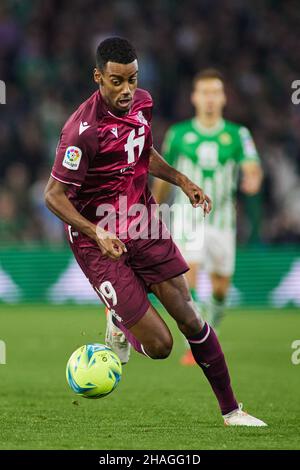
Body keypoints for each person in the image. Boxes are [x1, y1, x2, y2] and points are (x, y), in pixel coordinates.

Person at [45, 37, 266, 426]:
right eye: (116, 81)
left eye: (132, 79)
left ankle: (233, 411)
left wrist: (182, 180)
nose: (127, 89)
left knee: (191, 317)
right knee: (161, 346)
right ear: (98, 77)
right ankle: (120, 322)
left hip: (143, 222)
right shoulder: (81, 132)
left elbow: (142, 151)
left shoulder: (142, 103)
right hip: (98, 241)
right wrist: (95, 232)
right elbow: (54, 196)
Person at [153, 69, 262, 365]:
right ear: (194, 98)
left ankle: (209, 331)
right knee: (189, 272)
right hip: (188, 217)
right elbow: (163, 176)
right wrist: (153, 207)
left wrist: (252, 179)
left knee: (220, 287)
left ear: (223, 97)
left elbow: (252, 166)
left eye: (215, 92)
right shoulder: (178, 134)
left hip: (223, 220)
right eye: (204, 93)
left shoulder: (238, 135)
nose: (210, 99)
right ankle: (197, 343)